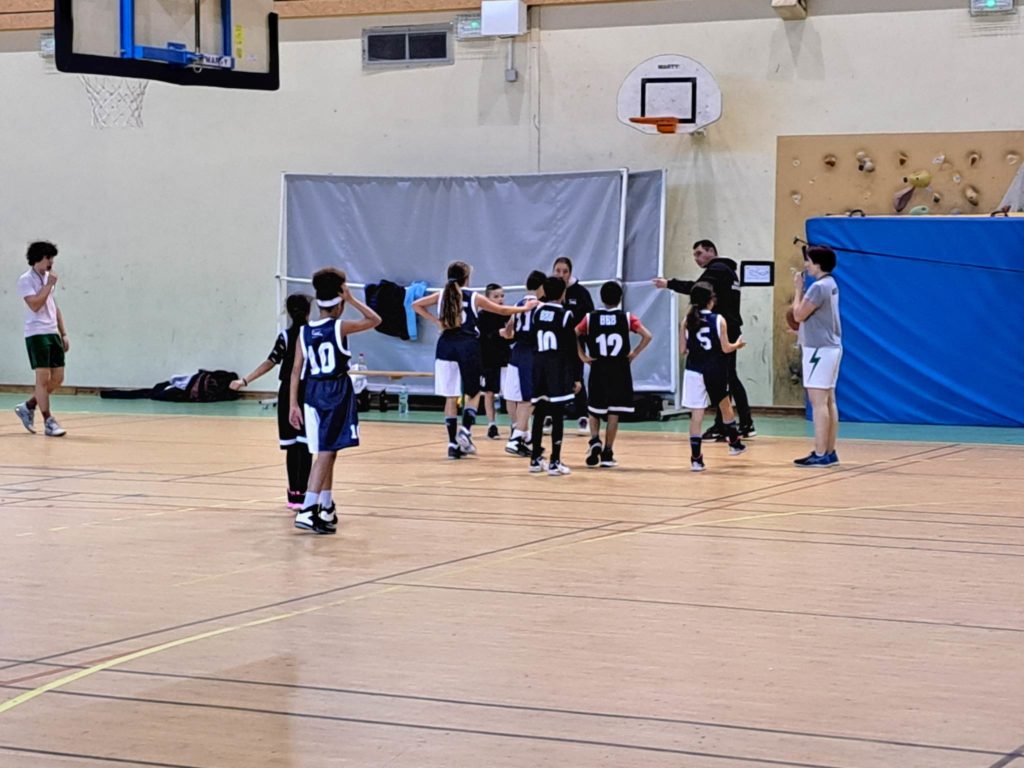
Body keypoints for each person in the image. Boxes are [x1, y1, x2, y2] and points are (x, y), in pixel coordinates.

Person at [288, 268, 381, 534]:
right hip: (335, 391)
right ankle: (308, 510)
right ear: (339, 303)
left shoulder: (305, 331)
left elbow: (296, 370)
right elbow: (375, 319)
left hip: (311, 392)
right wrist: (352, 299)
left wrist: (293, 404)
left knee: (327, 450)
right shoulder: (340, 327)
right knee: (327, 451)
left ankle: (326, 505)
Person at [412, 261, 528, 460]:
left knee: (450, 396)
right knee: (473, 393)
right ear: (467, 278)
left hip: (445, 345)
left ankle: (452, 444)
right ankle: (465, 430)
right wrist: (525, 308)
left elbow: (416, 305)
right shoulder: (473, 296)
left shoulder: (442, 294)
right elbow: (502, 311)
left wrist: (437, 321)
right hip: (467, 346)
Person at [654, 239, 755, 439]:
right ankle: (736, 424)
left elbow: (697, 289)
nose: (696, 258)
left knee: (726, 378)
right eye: (694, 255)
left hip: (722, 328)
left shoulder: (717, 269)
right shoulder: (729, 271)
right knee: (728, 377)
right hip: (729, 327)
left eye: (699, 253)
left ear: (711, 251)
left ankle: (735, 424)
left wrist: (669, 284)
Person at [230, 294, 312, 510]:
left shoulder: (286, 336)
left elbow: (270, 362)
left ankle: (294, 495)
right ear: (308, 311)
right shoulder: (314, 334)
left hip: (287, 393)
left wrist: (245, 380)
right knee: (305, 445)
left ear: (288, 312)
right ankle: (305, 494)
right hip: (308, 392)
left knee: (292, 446)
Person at [575, 281, 653, 468]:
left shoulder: (590, 318)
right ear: (620, 298)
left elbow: (574, 333)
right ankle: (608, 452)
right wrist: (634, 353)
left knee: (594, 409)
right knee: (613, 412)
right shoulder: (627, 318)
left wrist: (582, 355)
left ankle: (595, 440)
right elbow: (647, 335)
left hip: (598, 367)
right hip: (619, 369)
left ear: (601, 298)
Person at [681, 282, 747, 472]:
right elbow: (726, 348)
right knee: (725, 406)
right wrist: (737, 345)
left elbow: (682, 350)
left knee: (696, 415)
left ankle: (696, 459)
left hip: (693, 370)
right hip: (715, 369)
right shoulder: (718, 319)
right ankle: (734, 443)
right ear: (711, 301)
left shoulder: (687, 320)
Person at [791, 245, 842, 467]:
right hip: (830, 347)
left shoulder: (817, 287)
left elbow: (798, 314)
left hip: (818, 351)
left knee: (818, 402)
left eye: (809, 261)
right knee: (829, 400)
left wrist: (798, 290)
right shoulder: (831, 283)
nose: (806, 265)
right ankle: (829, 451)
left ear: (818, 264)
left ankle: (821, 453)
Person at [14, 241, 68, 437]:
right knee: (42, 378)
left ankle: (28, 406)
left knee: (58, 378)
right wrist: (48, 285)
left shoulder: (47, 279)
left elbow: (53, 306)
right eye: (48, 258)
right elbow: (35, 305)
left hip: (52, 332)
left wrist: (63, 333)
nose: (51, 262)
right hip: (36, 333)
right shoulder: (26, 280)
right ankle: (48, 421)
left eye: (52, 258)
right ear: (38, 258)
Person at [528, 276, 580, 476]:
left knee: (539, 412)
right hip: (557, 368)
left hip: (538, 366)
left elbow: (532, 339)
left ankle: (535, 458)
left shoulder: (537, 312)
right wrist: (576, 377)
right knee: (557, 414)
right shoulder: (566, 315)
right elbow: (571, 348)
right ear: (563, 293)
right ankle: (554, 461)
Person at [499, 270, 546, 458]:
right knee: (529, 398)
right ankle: (517, 437)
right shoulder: (541, 307)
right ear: (542, 286)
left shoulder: (518, 304)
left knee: (512, 396)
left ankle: (521, 432)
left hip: (516, 352)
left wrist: (505, 333)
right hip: (531, 353)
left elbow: (508, 331)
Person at [553, 256, 594, 435]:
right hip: (554, 344)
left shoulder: (581, 292)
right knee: (553, 378)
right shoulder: (549, 290)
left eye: (565, 271)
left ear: (570, 273)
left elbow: (589, 317)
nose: (561, 274)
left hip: (575, 342)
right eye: (558, 271)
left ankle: (582, 417)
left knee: (577, 379)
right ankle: (550, 416)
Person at [477, 283, 511, 440]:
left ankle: (515, 425)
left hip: (505, 358)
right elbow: (482, 338)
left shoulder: (507, 314)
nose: (500, 299)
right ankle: (491, 425)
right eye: (496, 296)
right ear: (487, 298)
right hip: (488, 359)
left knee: (509, 394)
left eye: (502, 296)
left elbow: (512, 337)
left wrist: (510, 335)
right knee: (489, 392)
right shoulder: (482, 316)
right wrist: (498, 333)